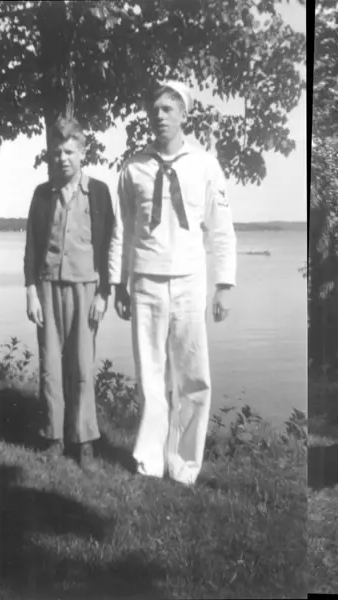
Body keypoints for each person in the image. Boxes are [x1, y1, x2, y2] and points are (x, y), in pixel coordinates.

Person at [108, 80, 236, 486]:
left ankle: (185, 465)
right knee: (151, 375)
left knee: (193, 375)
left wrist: (224, 284)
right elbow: (122, 230)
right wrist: (118, 282)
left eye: (168, 109)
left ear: (184, 115)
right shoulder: (133, 168)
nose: (159, 116)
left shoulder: (205, 165)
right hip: (145, 281)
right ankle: (149, 462)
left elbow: (221, 228)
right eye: (155, 109)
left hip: (189, 281)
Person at [23, 115, 116, 473]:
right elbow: (32, 246)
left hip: (86, 288)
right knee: (50, 365)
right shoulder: (42, 194)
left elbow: (108, 246)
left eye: (69, 152)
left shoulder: (99, 192)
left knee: (82, 366)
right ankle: (53, 437)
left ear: (82, 153)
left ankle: (85, 440)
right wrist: (31, 291)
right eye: (57, 152)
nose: (62, 158)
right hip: (47, 286)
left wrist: (104, 294)